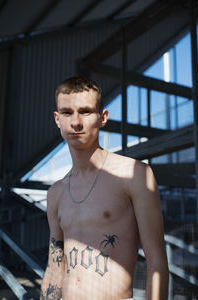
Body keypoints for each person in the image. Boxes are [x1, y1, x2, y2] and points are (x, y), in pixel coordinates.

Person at [40, 77, 169, 300]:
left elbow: (156, 262)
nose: (76, 122)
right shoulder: (56, 192)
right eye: (67, 112)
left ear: (103, 117)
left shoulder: (134, 174)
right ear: (57, 119)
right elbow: (55, 267)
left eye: (86, 111)